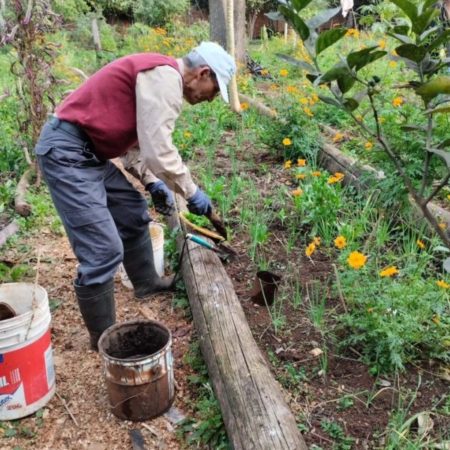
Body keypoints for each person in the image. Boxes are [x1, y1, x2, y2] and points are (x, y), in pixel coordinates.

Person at [34, 42, 236, 349]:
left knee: (132, 212)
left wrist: (153, 183)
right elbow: (159, 151)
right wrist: (192, 192)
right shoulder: (165, 78)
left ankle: (146, 283)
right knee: (102, 250)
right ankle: (104, 338)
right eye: (213, 88)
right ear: (202, 73)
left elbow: (137, 143)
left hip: (88, 152)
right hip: (68, 152)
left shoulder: (158, 75)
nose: (210, 98)